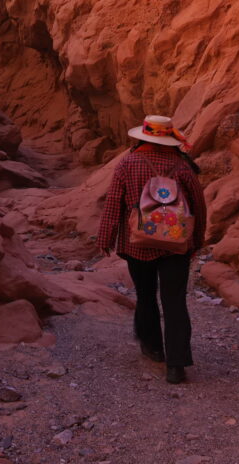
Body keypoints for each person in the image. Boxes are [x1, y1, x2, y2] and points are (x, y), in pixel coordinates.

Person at [97, 114, 207, 384]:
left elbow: (114, 203)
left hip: (136, 244)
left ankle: (153, 347)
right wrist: (197, 241)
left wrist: (105, 237)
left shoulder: (128, 163)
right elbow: (198, 206)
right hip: (176, 244)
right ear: (169, 138)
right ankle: (176, 366)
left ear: (142, 137)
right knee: (175, 302)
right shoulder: (182, 166)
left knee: (146, 296)